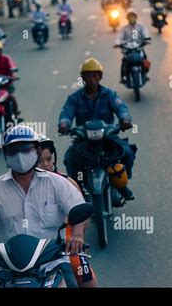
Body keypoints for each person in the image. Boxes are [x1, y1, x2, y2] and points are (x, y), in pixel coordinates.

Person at [0, 126, 92, 288]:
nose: (20, 155)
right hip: (9, 268)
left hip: (53, 263)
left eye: (26, 148)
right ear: (6, 153)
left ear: (38, 151)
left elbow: (79, 210)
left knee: (80, 281)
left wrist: (77, 235)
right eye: (13, 150)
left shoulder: (57, 183)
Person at [58, 58, 136, 201]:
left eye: (95, 75)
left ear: (100, 77)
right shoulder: (75, 97)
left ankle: (122, 185)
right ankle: (78, 189)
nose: (92, 79)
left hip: (107, 136)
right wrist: (64, 124)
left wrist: (124, 119)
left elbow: (121, 107)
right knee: (70, 159)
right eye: (88, 75)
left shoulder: (109, 94)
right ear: (83, 78)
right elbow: (66, 112)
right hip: (84, 138)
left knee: (128, 152)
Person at [37, 135, 98, 288]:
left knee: (82, 272)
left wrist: (77, 238)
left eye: (49, 159)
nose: (46, 165)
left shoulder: (67, 182)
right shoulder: (18, 187)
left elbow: (83, 216)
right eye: (39, 161)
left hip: (63, 241)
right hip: (32, 244)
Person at [116, 9, 151, 83]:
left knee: (145, 60)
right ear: (127, 18)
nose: (132, 18)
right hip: (128, 48)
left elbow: (146, 34)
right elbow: (119, 37)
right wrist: (118, 43)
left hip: (139, 47)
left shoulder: (141, 26)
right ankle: (123, 77)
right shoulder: (124, 28)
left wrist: (146, 39)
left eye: (133, 16)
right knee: (124, 61)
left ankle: (144, 74)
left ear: (136, 17)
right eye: (130, 17)